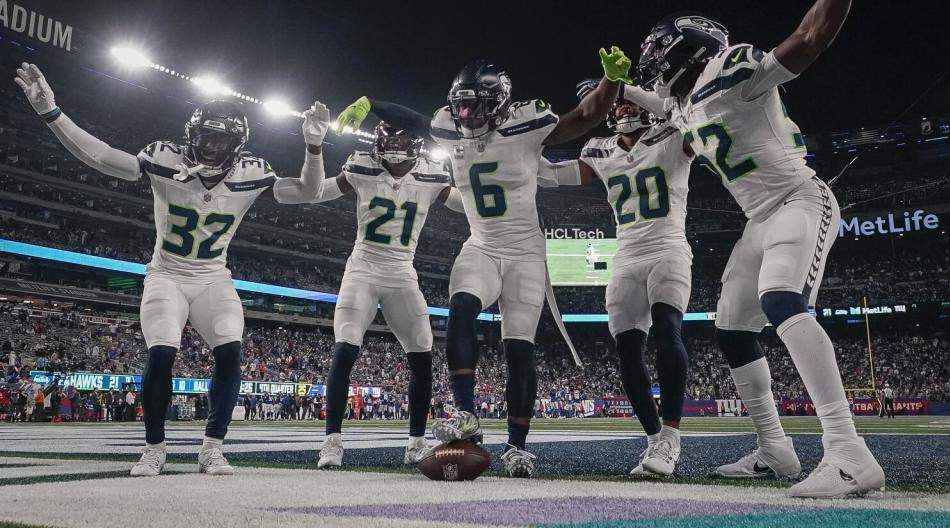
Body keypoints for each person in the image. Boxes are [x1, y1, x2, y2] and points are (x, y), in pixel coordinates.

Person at [626, 0, 883, 497]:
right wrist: (619, 88)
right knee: (732, 328)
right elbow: (668, 107)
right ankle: (776, 450)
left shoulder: (734, 73)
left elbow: (811, 36)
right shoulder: (688, 104)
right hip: (757, 220)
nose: (649, 67)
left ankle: (848, 451)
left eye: (655, 57)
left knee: (780, 299)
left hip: (798, 199)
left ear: (682, 52)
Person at [14, 63, 329, 476]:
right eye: (205, 138)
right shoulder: (165, 159)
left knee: (231, 352)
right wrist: (52, 113)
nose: (211, 148)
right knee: (161, 353)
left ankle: (212, 447)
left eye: (221, 141)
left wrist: (314, 145)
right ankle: (154, 448)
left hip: (213, 277)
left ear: (237, 146)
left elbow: (308, 191)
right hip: (167, 274)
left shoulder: (252, 173)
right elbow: (104, 157)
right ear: (189, 136)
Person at [334, 46, 632, 476]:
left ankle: (517, 447)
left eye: (476, 104)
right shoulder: (448, 127)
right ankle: (466, 413)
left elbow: (584, 118)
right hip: (483, 244)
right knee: (461, 306)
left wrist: (610, 82)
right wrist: (370, 102)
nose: (468, 113)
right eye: (462, 104)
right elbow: (415, 119)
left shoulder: (526, 124)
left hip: (526, 252)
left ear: (500, 103)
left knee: (519, 350)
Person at [539, 83, 694, 477]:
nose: (624, 108)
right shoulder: (601, 150)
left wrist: (635, 89)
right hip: (626, 255)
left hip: (668, 247)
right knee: (627, 348)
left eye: (628, 99)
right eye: (618, 101)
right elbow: (556, 176)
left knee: (667, 330)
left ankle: (672, 435)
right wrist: (517, 155)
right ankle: (654, 439)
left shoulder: (672, 134)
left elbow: (696, 121)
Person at [313, 122, 465, 468]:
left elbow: (464, 204)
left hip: (402, 272)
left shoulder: (432, 174)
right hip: (362, 269)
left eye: (400, 140)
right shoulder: (361, 165)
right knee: (346, 345)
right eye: (388, 141)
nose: (393, 147)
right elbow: (320, 191)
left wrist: (487, 191)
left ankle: (415, 443)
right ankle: (332, 442)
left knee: (423, 348)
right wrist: (314, 149)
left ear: (414, 145)